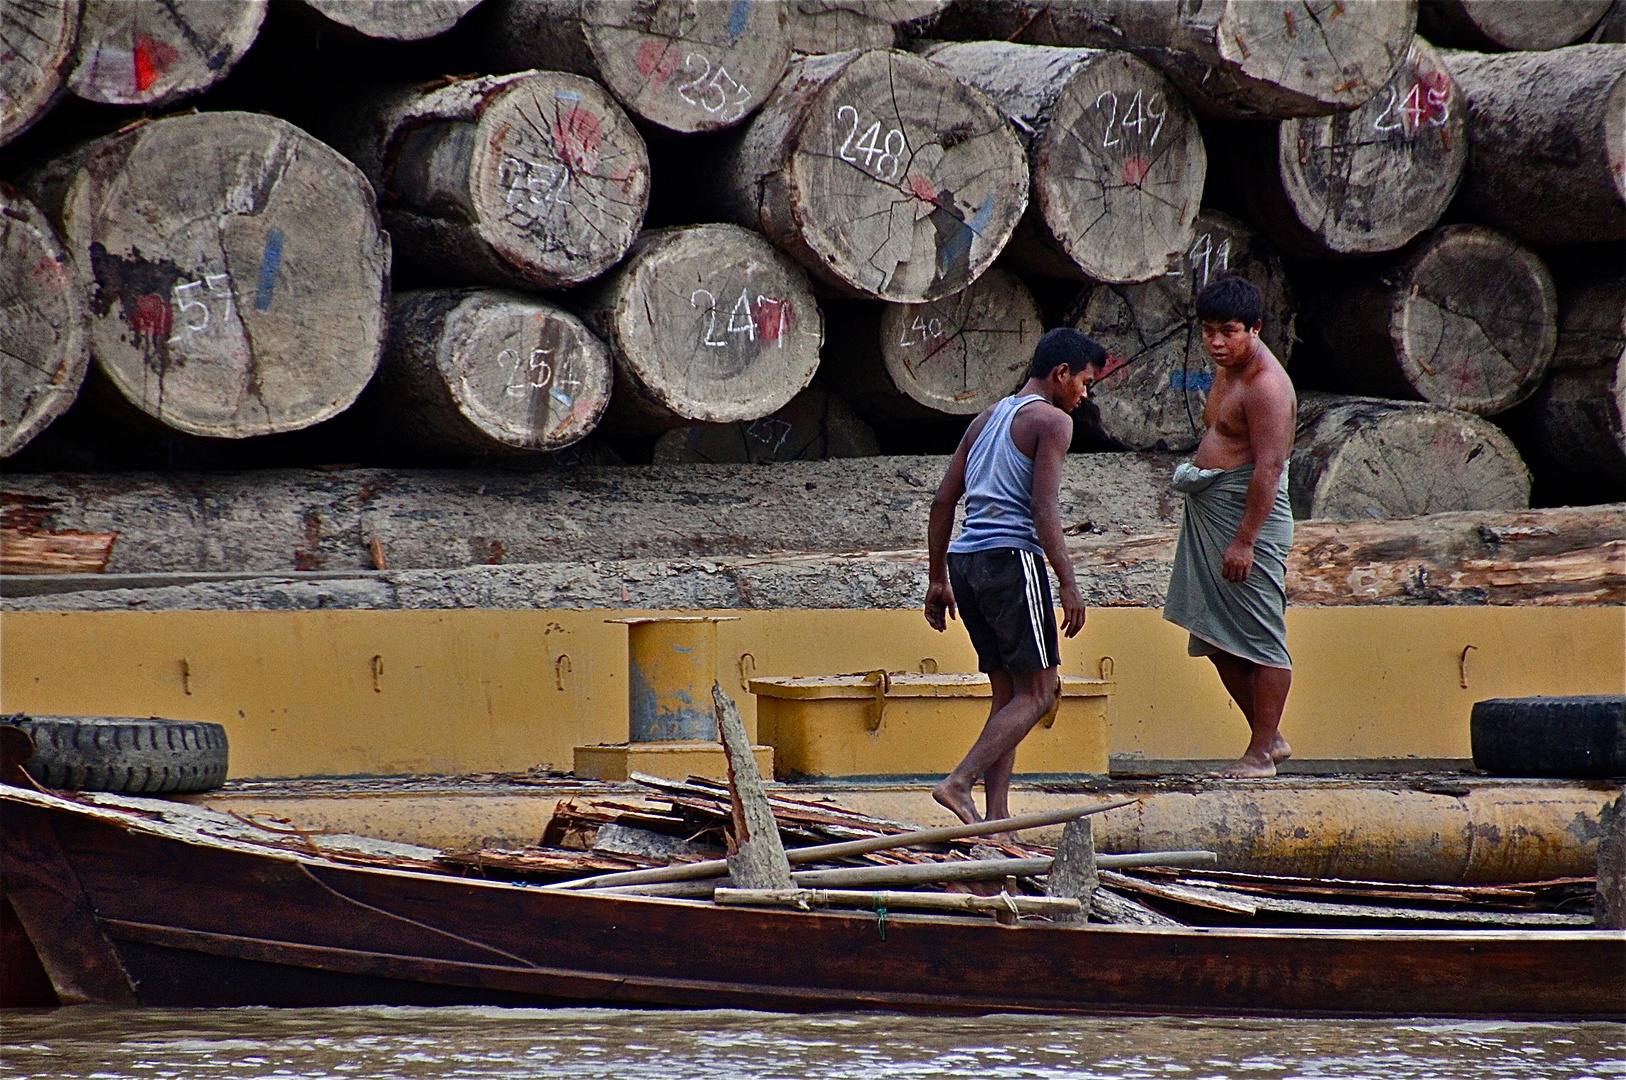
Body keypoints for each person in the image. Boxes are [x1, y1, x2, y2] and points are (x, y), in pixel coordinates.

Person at [924, 327, 1107, 825]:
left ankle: (997, 816)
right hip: (1011, 561)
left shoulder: (987, 416)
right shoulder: (1052, 422)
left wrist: (938, 577)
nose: (1084, 396)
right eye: (1085, 383)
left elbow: (943, 501)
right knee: (1040, 693)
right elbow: (1043, 508)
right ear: (1061, 374)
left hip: (965, 562)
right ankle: (958, 783)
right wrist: (1067, 582)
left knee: (1008, 697)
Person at [1163, 275, 1297, 778]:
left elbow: (1269, 468)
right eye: (1208, 331)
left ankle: (1261, 753)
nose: (1217, 342)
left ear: (1255, 328)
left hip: (1249, 518)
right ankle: (1270, 736)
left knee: (1262, 635)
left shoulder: (1266, 386)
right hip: (1212, 511)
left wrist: (1245, 540)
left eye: (1229, 331)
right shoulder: (1226, 370)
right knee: (1213, 634)